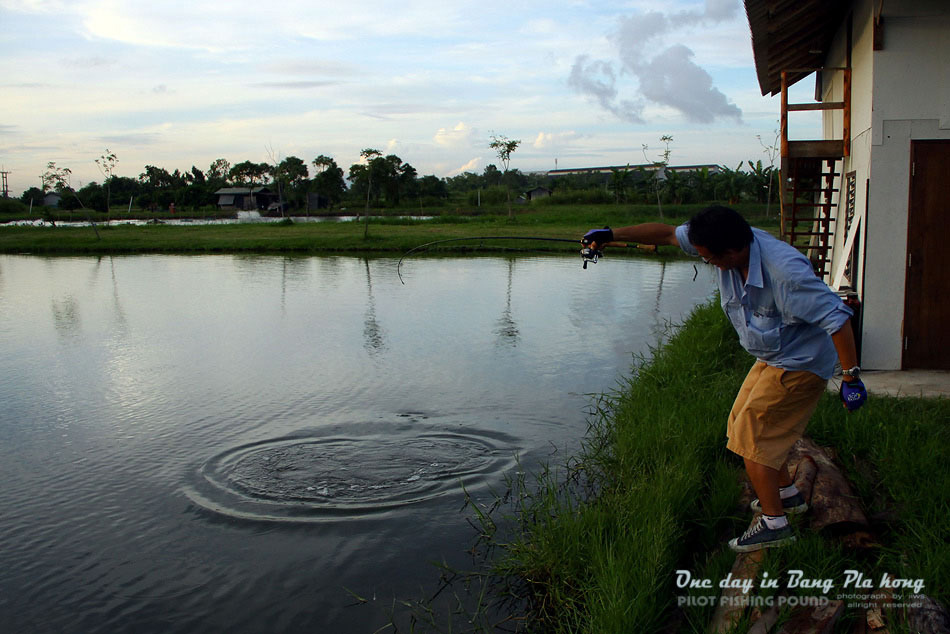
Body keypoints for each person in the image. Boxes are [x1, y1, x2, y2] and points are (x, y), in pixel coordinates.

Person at [582, 205, 867, 552]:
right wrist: (610, 235)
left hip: (800, 361)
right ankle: (787, 496)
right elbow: (668, 234)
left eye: (709, 259)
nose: (707, 263)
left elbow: (838, 318)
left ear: (732, 251)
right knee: (738, 422)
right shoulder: (721, 242)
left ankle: (775, 526)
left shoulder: (785, 273)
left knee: (753, 437)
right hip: (773, 356)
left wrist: (851, 378)